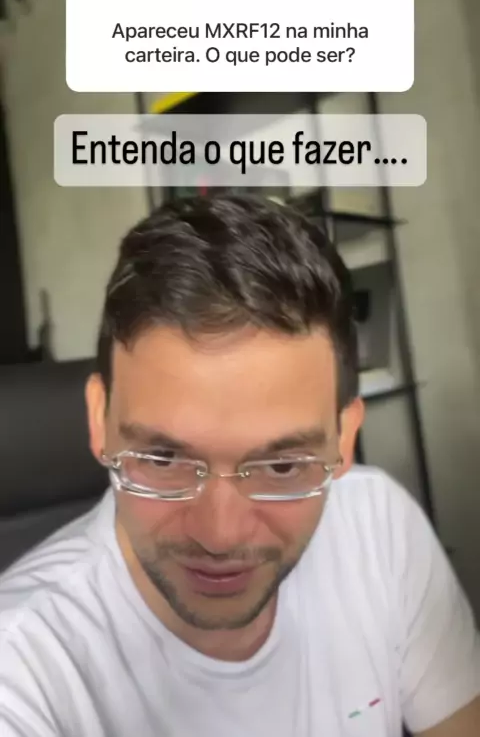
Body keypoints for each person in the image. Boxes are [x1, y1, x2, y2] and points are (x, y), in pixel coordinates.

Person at [0, 192, 479, 737]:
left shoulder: (380, 527)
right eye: (164, 458)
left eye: (282, 466)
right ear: (98, 419)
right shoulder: (21, 672)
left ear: (344, 439)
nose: (220, 536)